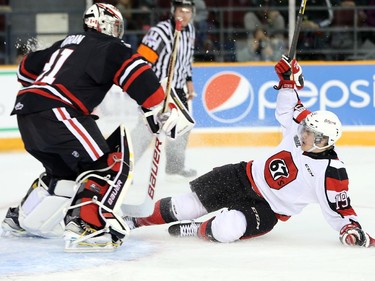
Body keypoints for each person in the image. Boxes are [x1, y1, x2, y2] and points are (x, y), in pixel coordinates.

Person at [125, 55, 374, 248]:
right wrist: (288, 82)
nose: (303, 133)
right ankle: (134, 221)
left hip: (269, 208)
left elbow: (339, 208)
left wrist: (351, 229)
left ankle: (200, 228)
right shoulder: (304, 128)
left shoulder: (331, 172)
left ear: (323, 141)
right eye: (305, 129)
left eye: (310, 134)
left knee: (225, 230)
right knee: (183, 206)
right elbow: (288, 110)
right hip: (243, 175)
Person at [1, 3, 181, 252]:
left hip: (27, 111)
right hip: (60, 112)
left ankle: (21, 220)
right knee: (107, 165)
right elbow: (139, 75)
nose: (118, 31)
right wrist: (156, 109)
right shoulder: (111, 47)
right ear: (104, 24)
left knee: (64, 174)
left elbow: (25, 70)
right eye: (116, 25)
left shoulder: (65, 43)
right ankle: (87, 227)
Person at [131, 0, 197, 179]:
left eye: (188, 11)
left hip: (178, 90)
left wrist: (189, 81)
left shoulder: (190, 31)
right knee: (146, 130)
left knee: (181, 127)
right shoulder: (159, 32)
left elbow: (186, 59)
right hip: (157, 88)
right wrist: (146, 88)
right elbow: (142, 61)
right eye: (180, 11)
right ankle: (125, 166)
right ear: (172, 11)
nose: (184, 15)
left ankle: (175, 166)